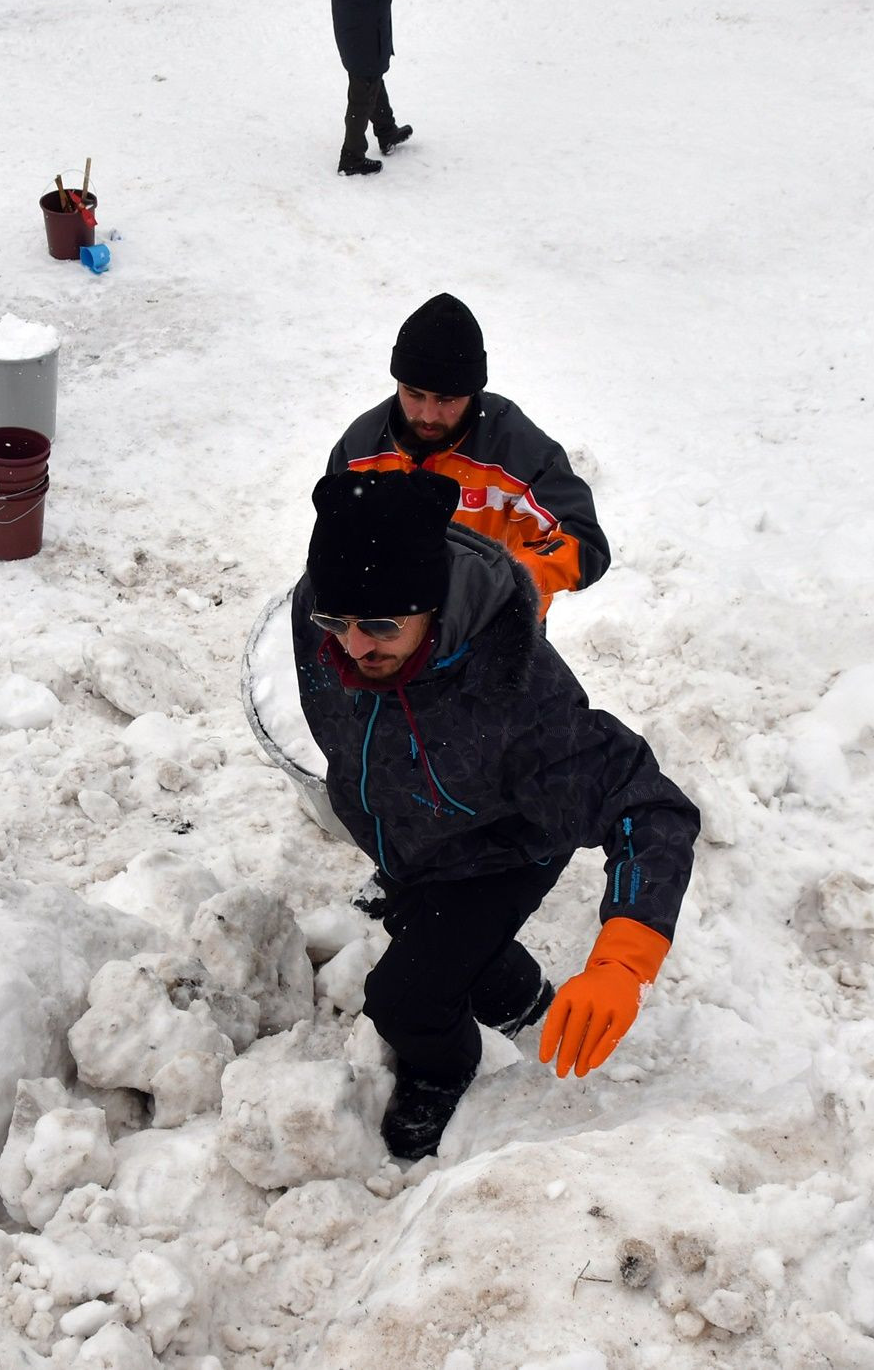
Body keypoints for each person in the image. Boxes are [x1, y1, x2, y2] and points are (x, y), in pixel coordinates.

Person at [291, 468, 699, 1160]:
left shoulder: (516, 702)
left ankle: (444, 1067)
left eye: (382, 625)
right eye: (339, 621)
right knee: (434, 932)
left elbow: (651, 806)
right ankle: (513, 991)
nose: (354, 647)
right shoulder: (328, 618)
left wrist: (622, 961)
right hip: (416, 827)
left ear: (435, 606)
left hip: (500, 848)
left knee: (404, 999)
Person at [327, 292, 610, 620]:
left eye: (447, 399)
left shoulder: (516, 450)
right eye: (414, 394)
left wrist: (507, 579)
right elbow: (334, 550)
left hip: (498, 634)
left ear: (473, 391)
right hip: (392, 635)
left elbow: (585, 543)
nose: (429, 415)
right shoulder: (360, 451)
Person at [327, 0, 415, 177]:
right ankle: (351, 156)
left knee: (370, 80)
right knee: (362, 93)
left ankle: (386, 131)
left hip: (349, 30)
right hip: (366, 35)